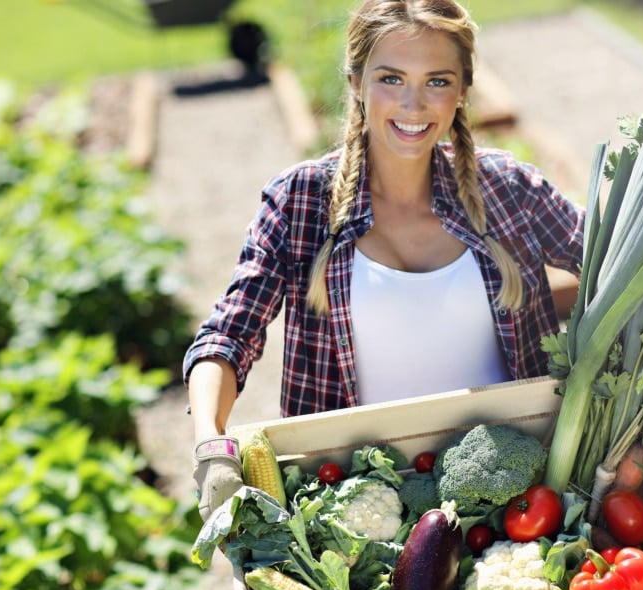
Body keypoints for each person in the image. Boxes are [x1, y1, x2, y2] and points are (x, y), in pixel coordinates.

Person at [187, 0, 586, 521]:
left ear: (464, 89)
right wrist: (210, 447)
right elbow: (229, 334)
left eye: (437, 81)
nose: (414, 104)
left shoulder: (508, 189)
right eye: (391, 78)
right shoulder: (301, 201)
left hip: (518, 503)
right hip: (358, 509)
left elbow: (621, 264)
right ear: (356, 81)